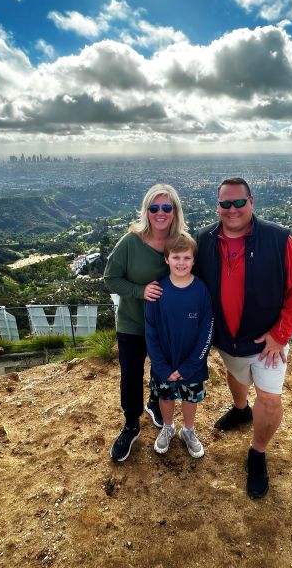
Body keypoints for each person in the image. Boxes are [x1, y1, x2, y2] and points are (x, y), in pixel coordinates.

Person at [194, 177, 292, 498]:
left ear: (251, 202)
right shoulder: (203, 240)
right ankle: (241, 409)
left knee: (269, 398)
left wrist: (280, 335)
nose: (232, 209)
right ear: (217, 206)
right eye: (225, 204)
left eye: (238, 202)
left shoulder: (278, 239)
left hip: (268, 341)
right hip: (227, 338)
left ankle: (257, 452)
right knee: (235, 374)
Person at [104, 184, 188, 462]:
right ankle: (130, 425)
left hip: (165, 326)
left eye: (167, 207)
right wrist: (140, 292)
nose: (160, 213)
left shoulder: (180, 243)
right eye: (154, 208)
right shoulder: (130, 242)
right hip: (131, 323)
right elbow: (110, 278)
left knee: (161, 371)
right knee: (130, 376)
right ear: (146, 211)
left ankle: (154, 404)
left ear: (175, 211)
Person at [145, 234, 214, 459]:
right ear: (166, 259)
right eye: (176, 257)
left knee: (189, 398)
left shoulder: (202, 291)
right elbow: (151, 331)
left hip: (192, 364)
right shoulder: (158, 291)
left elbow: (207, 331)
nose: (181, 262)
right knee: (165, 396)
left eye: (187, 257)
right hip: (163, 362)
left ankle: (188, 431)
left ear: (194, 260)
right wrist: (161, 365)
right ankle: (168, 427)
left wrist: (191, 364)